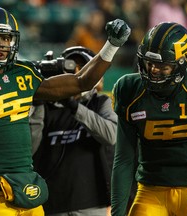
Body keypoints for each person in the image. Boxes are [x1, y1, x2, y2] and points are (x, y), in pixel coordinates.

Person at [0, 6, 130, 216]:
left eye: (5, 39)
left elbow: (81, 82)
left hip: (27, 185)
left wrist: (111, 46)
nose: (1, 45)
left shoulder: (23, 74)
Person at [111, 22, 187, 216]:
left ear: (184, 63)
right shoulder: (130, 89)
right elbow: (124, 159)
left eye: (163, 66)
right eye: (149, 63)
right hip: (151, 190)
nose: (153, 71)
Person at [31, 46, 116, 216]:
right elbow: (29, 148)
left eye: (82, 67)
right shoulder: (45, 107)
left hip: (92, 202)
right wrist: (39, 101)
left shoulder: (99, 102)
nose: (76, 72)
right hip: (51, 204)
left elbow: (112, 135)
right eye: (70, 66)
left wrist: (73, 106)